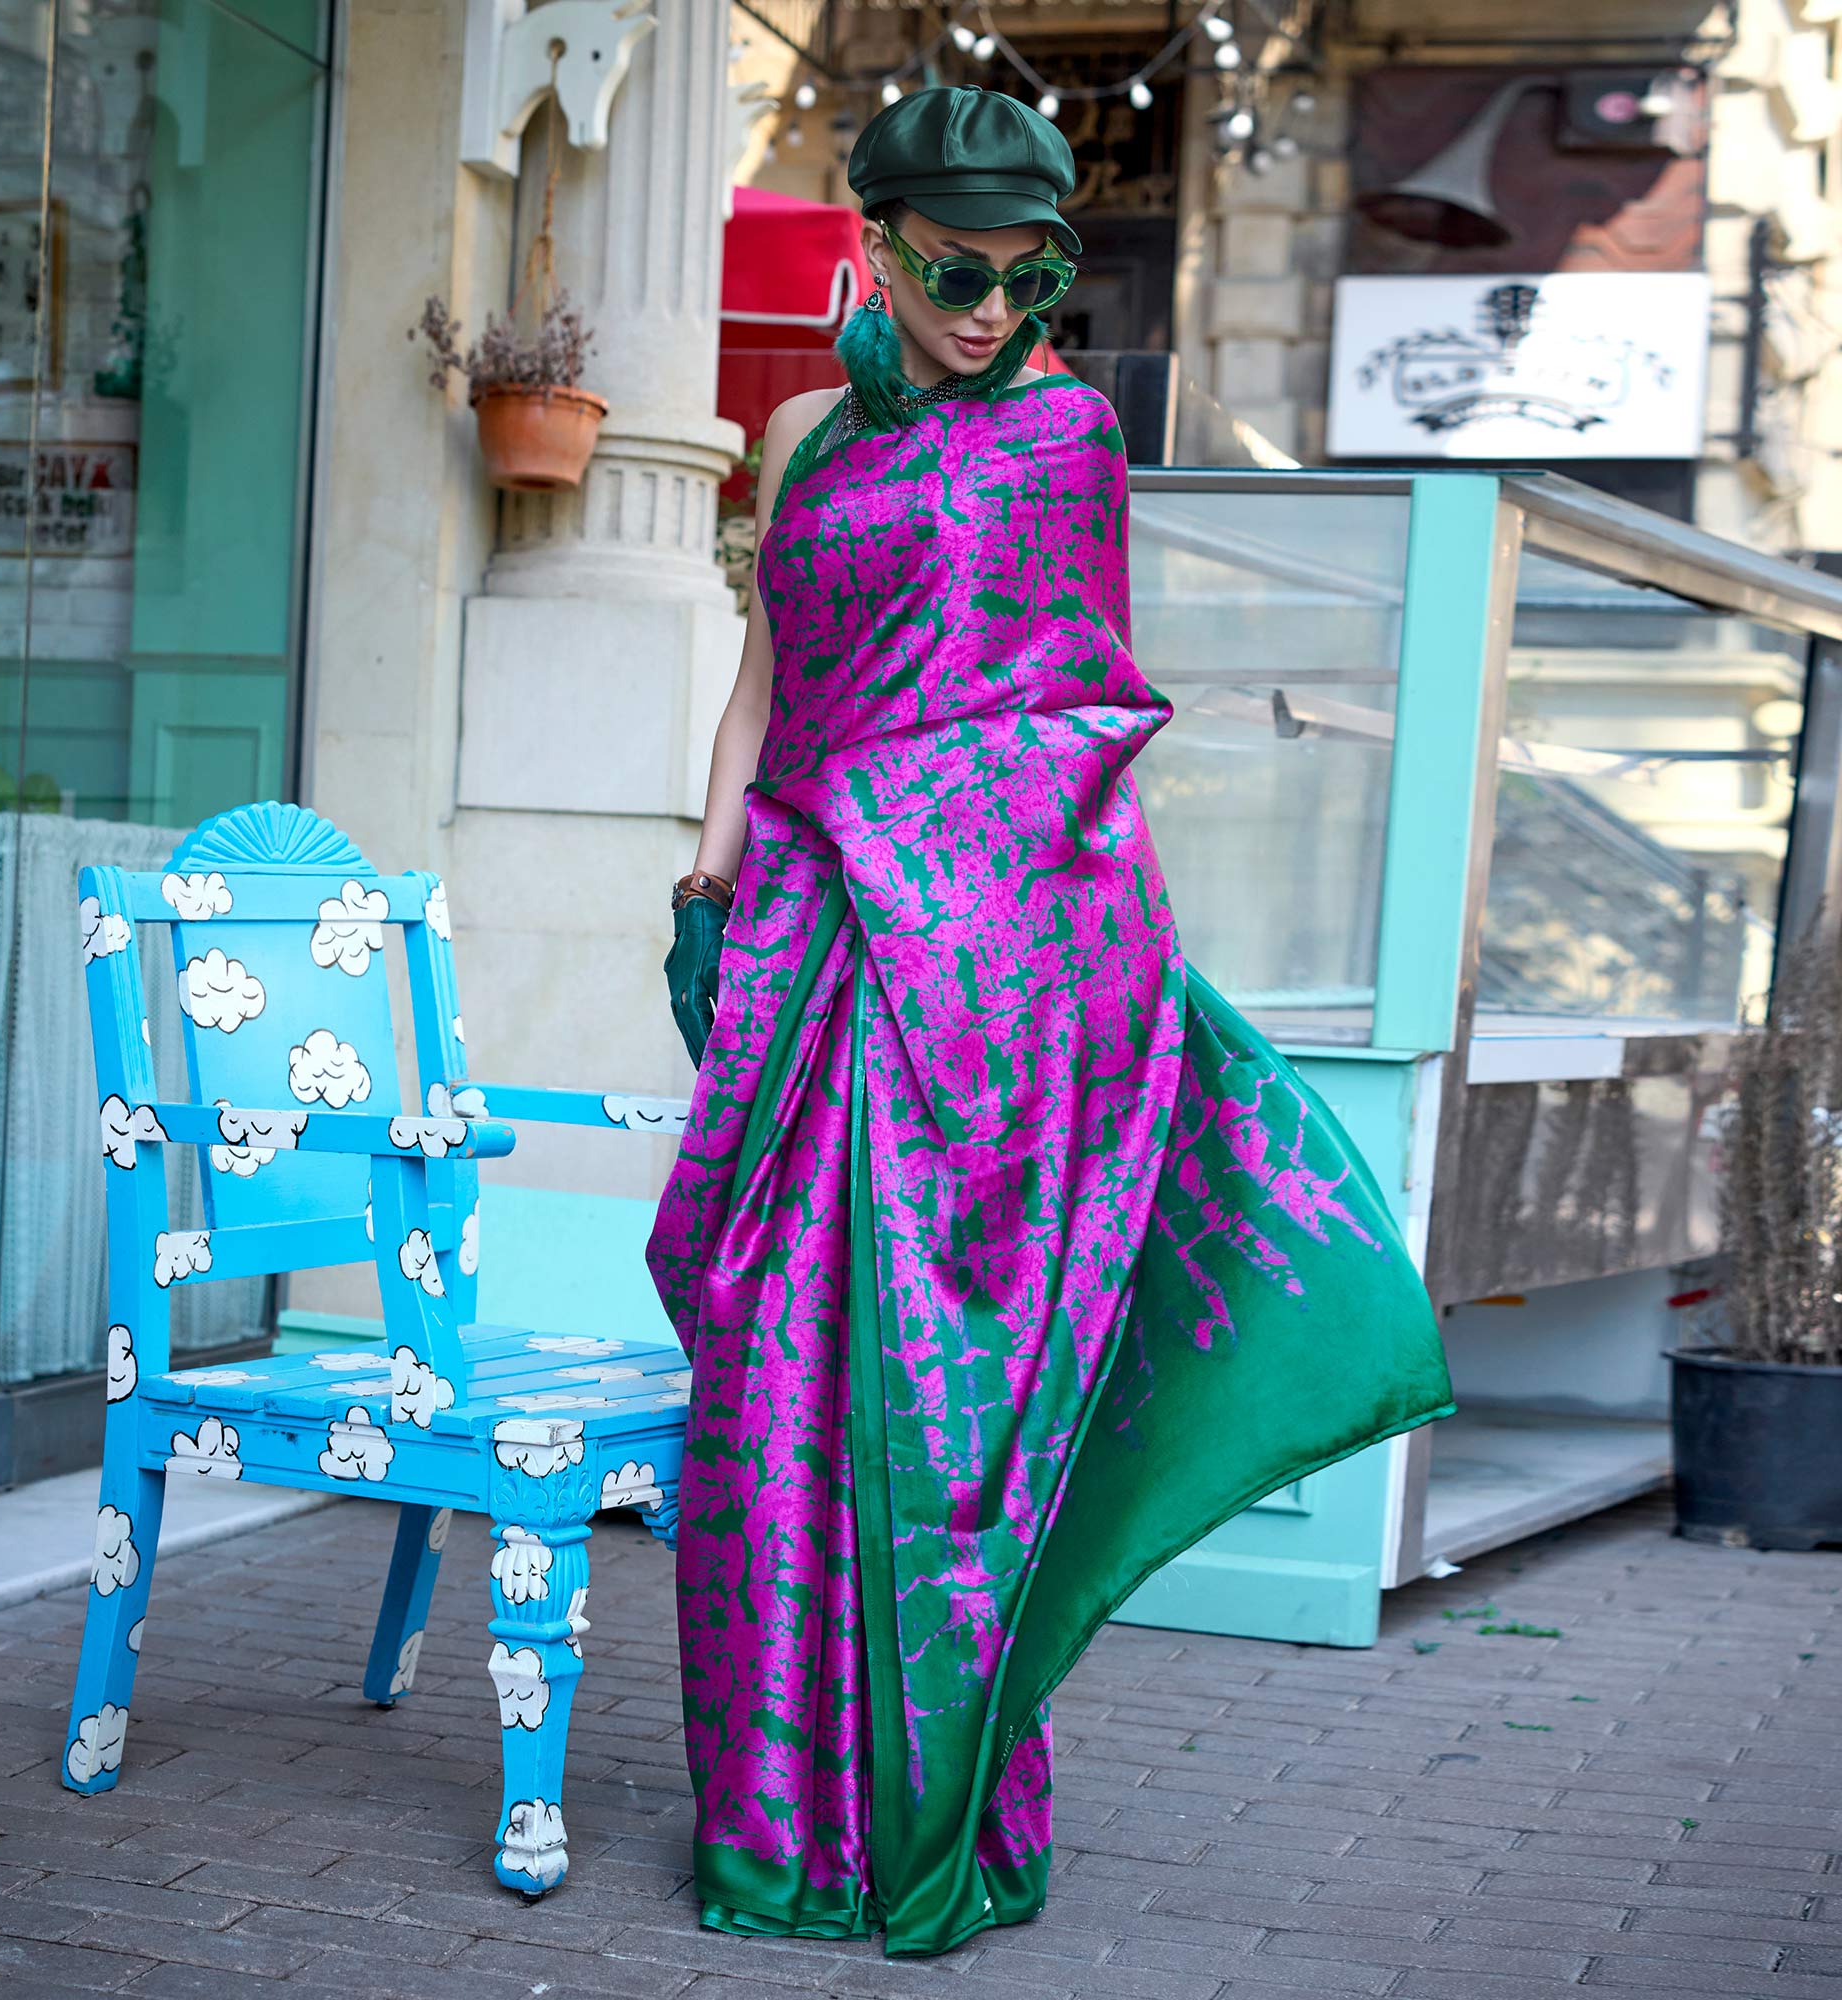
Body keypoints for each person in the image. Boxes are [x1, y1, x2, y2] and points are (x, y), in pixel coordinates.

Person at [645, 83, 1453, 1959]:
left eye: (1031, 273)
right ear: (875, 246)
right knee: (771, 1397)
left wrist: (992, 935)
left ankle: (940, 1814)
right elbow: (766, 679)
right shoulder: (796, 428)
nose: (993, 308)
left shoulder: (1068, 435)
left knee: (938, 1400)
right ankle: (776, 1830)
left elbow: (1064, 729)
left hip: (981, 977)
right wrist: (704, 886)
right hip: (802, 957)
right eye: (953, 270)